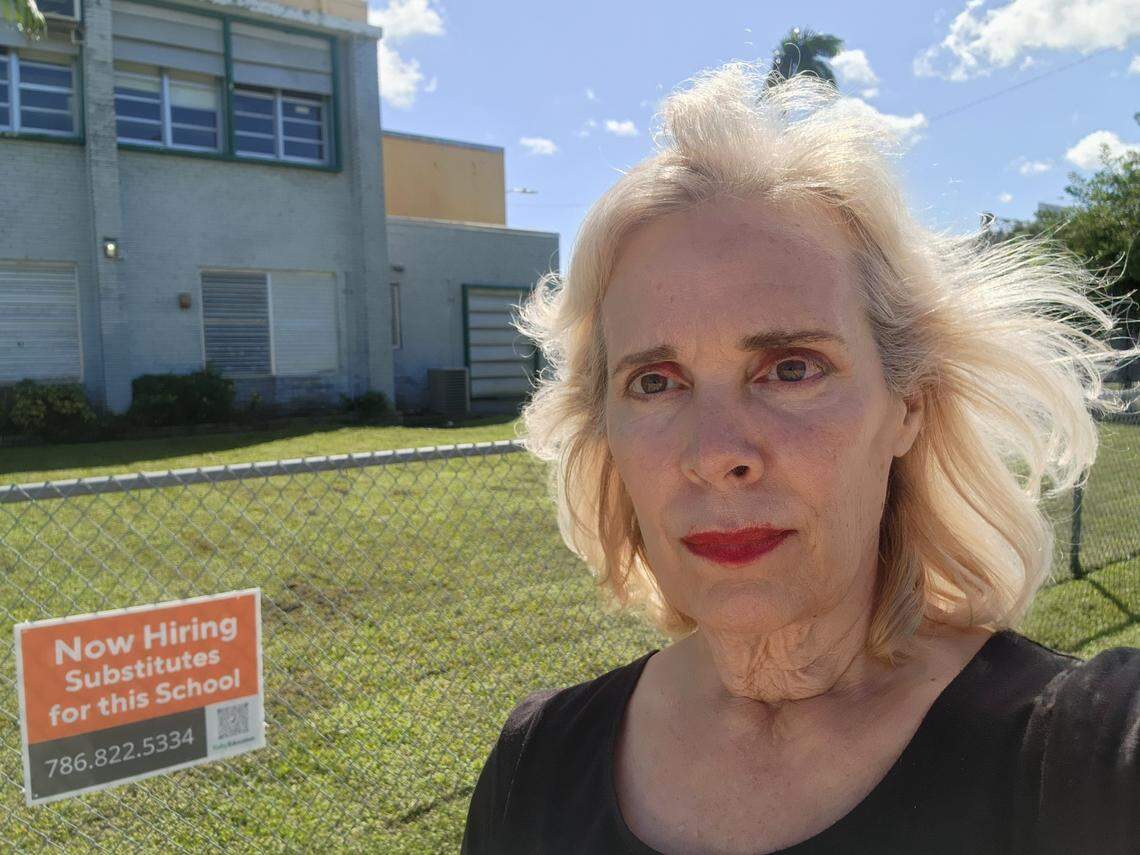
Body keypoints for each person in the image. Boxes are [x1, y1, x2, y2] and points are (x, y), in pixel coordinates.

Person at [460, 60, 1140, 855]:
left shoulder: (1089, 763)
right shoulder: (536, 763)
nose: (716, 455)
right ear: (603, 427)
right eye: (655, 381)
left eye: (790, 368)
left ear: (908, 405)